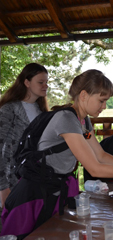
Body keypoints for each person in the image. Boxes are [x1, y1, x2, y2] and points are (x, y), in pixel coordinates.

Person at [0, 69, 113, 238]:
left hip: (54, 189)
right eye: (102, 100)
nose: (104, 106)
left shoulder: (83, 121)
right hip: (34, 195)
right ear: (83, 95)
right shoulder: (66, 119)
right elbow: (95, 168)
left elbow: (100, 155)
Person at [0, 63, 49, 212]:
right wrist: (3, 187)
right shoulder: (9, 109)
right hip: (10, 181)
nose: (45, 86)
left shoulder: (42, 112)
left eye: (47, 82)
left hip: (32, 179)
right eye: (40, 82)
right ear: (27, 82)